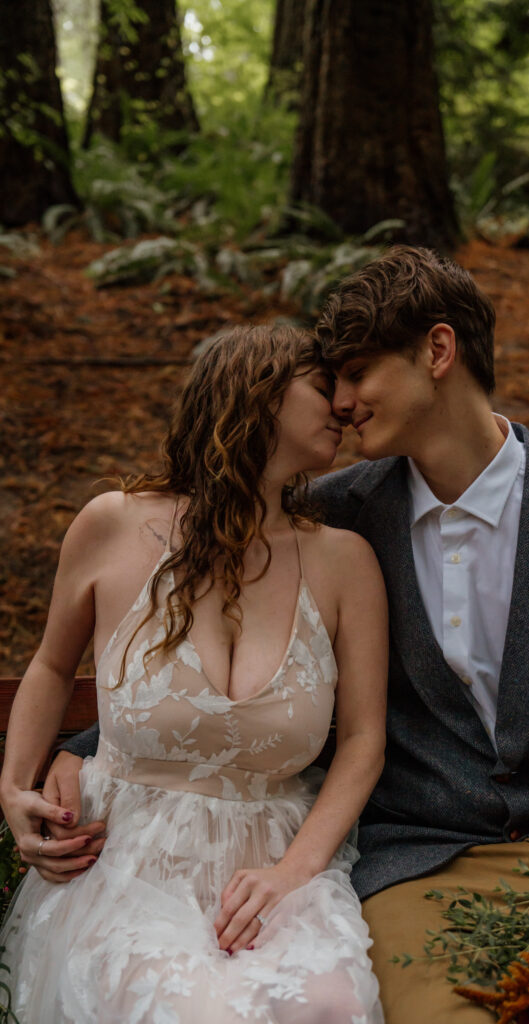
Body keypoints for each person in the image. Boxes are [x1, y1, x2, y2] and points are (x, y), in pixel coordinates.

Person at [30, 247, 529, 1022]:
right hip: (419, 857)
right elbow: (216, 651)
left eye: (357, 373)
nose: (338, 402)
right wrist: (85, 751)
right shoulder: (328, 519)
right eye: (329, 380)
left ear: (437, 351)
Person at [0, 325, 388, 1023]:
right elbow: (53, 664)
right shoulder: (112, 526)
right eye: (323, 385)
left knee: (326, 1005)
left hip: (277, 864)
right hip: (126, 863)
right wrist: (12, 787)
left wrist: (290, 875)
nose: (342, 406)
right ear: (258, 392)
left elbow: (362, 741)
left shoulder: (343, 561)